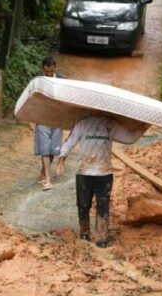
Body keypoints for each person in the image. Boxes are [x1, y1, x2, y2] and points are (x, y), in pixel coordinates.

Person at [56, 110, 146, 248]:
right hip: (84, 172)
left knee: (103, 206)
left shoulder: (110, 123)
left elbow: (129, 138)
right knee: (83, 205)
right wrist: (61, 159)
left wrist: (145, 126)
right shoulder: (82, 123)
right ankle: (84, 233)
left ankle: (102, 239)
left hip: (104, 173)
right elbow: (69, 142)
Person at [33, 56, 63, 191]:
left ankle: (44, 172)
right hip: (42, 118)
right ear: (42, 69)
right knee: (45, 148)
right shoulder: (37, 82)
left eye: (51, 71)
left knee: (53, 149)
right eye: (47, 72)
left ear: (55, 68)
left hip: (57, 119)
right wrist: (31, 119)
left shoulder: (63, 81)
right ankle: (48, 178)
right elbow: (32, 101)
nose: (49, 74)